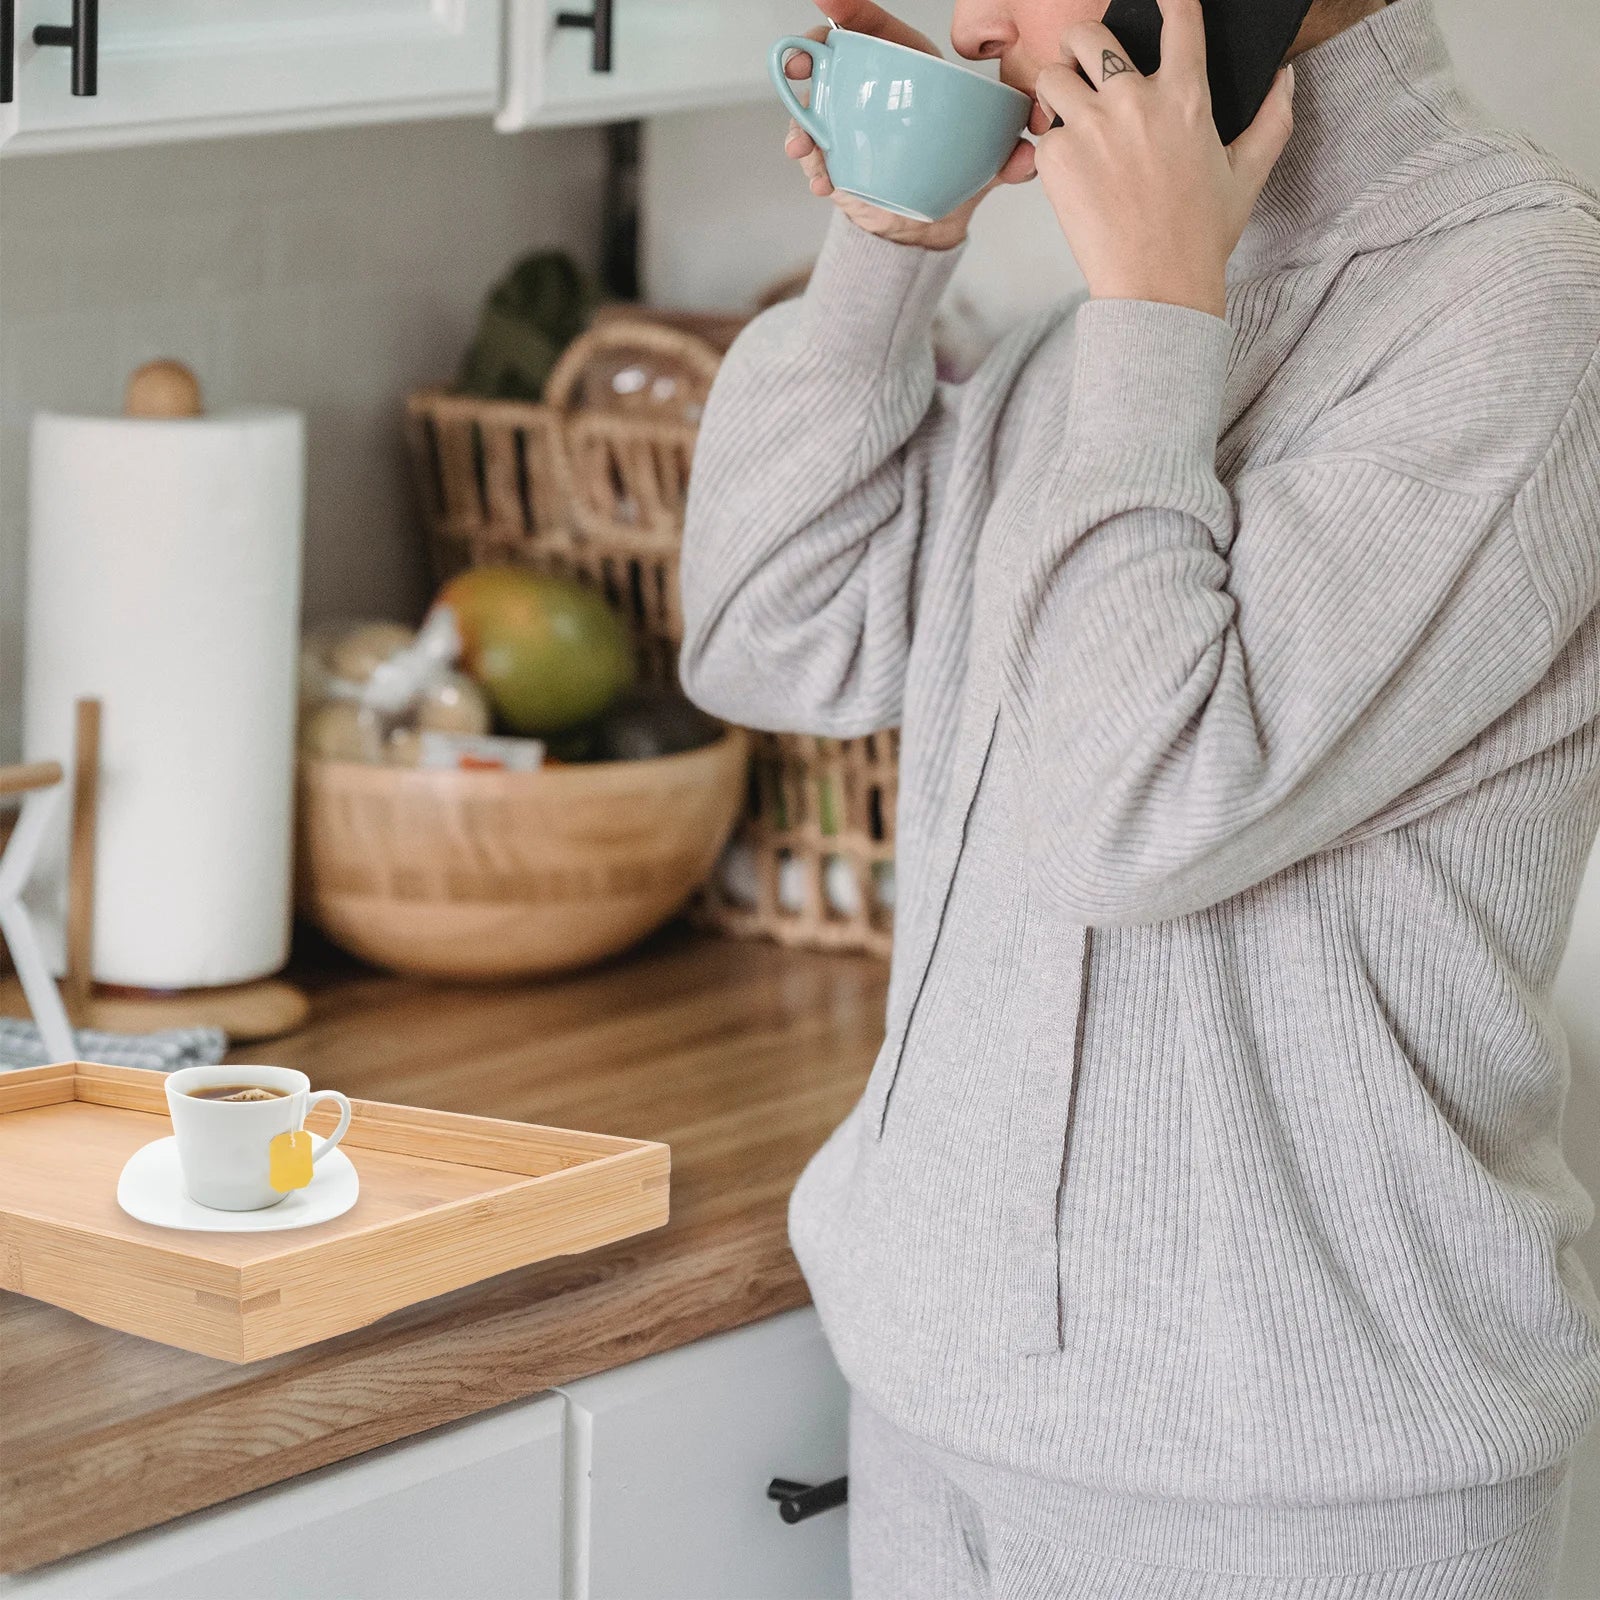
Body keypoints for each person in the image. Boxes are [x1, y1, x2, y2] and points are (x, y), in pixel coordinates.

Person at [676, 0, 1600, 1592]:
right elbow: (773, 638)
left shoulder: (1521, 309)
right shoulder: (1098, 331)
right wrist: (893, 241)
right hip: (935, 1411)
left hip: (1301, 1502)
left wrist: (1165, 305)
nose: (971, 20)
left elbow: (1138, 810)